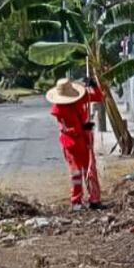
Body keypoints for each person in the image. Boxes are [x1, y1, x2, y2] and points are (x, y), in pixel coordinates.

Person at [46, 77, 103, 211]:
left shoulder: (81, 98)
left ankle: (94, 198)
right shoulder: (59, 109)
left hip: (84, 139)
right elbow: (67, 128)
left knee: (90, 169)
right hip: (71, 142)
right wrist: (83, 127)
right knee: (76, 173)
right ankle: (76, 200)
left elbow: (99, 97)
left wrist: (94, 85)